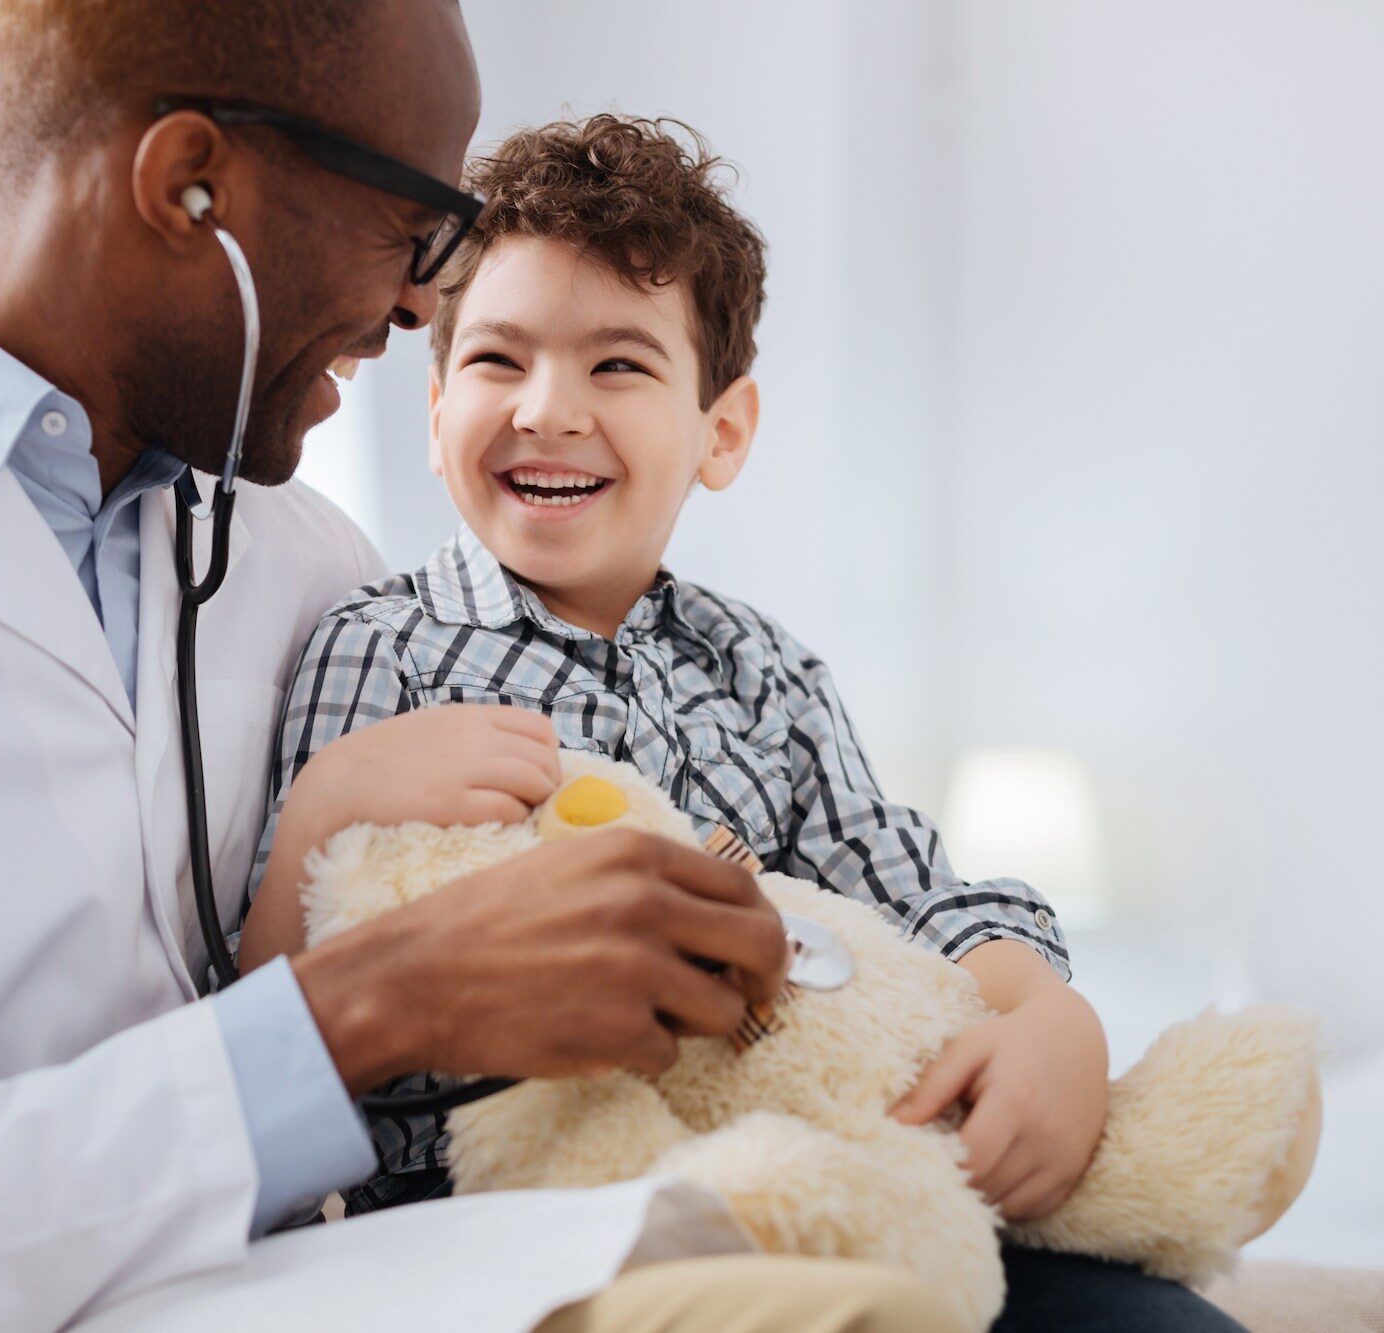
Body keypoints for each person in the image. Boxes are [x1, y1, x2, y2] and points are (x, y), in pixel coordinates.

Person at [0, 2, 970, 1330]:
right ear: (191, 183)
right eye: (415, 228)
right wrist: (362, 1007)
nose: (418, 303)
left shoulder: (301, 555)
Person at [238, 116, 1245, 1331]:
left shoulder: (761, 664)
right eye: (501, 361)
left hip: (818, 1167)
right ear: (442, 399)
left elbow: (905, 884)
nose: (549, 409)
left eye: (619, 365)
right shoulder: (379, 648)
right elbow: (272, 1045)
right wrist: (324, 807)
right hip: (513, 1219)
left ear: (721, 433)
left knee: (1158, 1318)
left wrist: (1048, 1016)